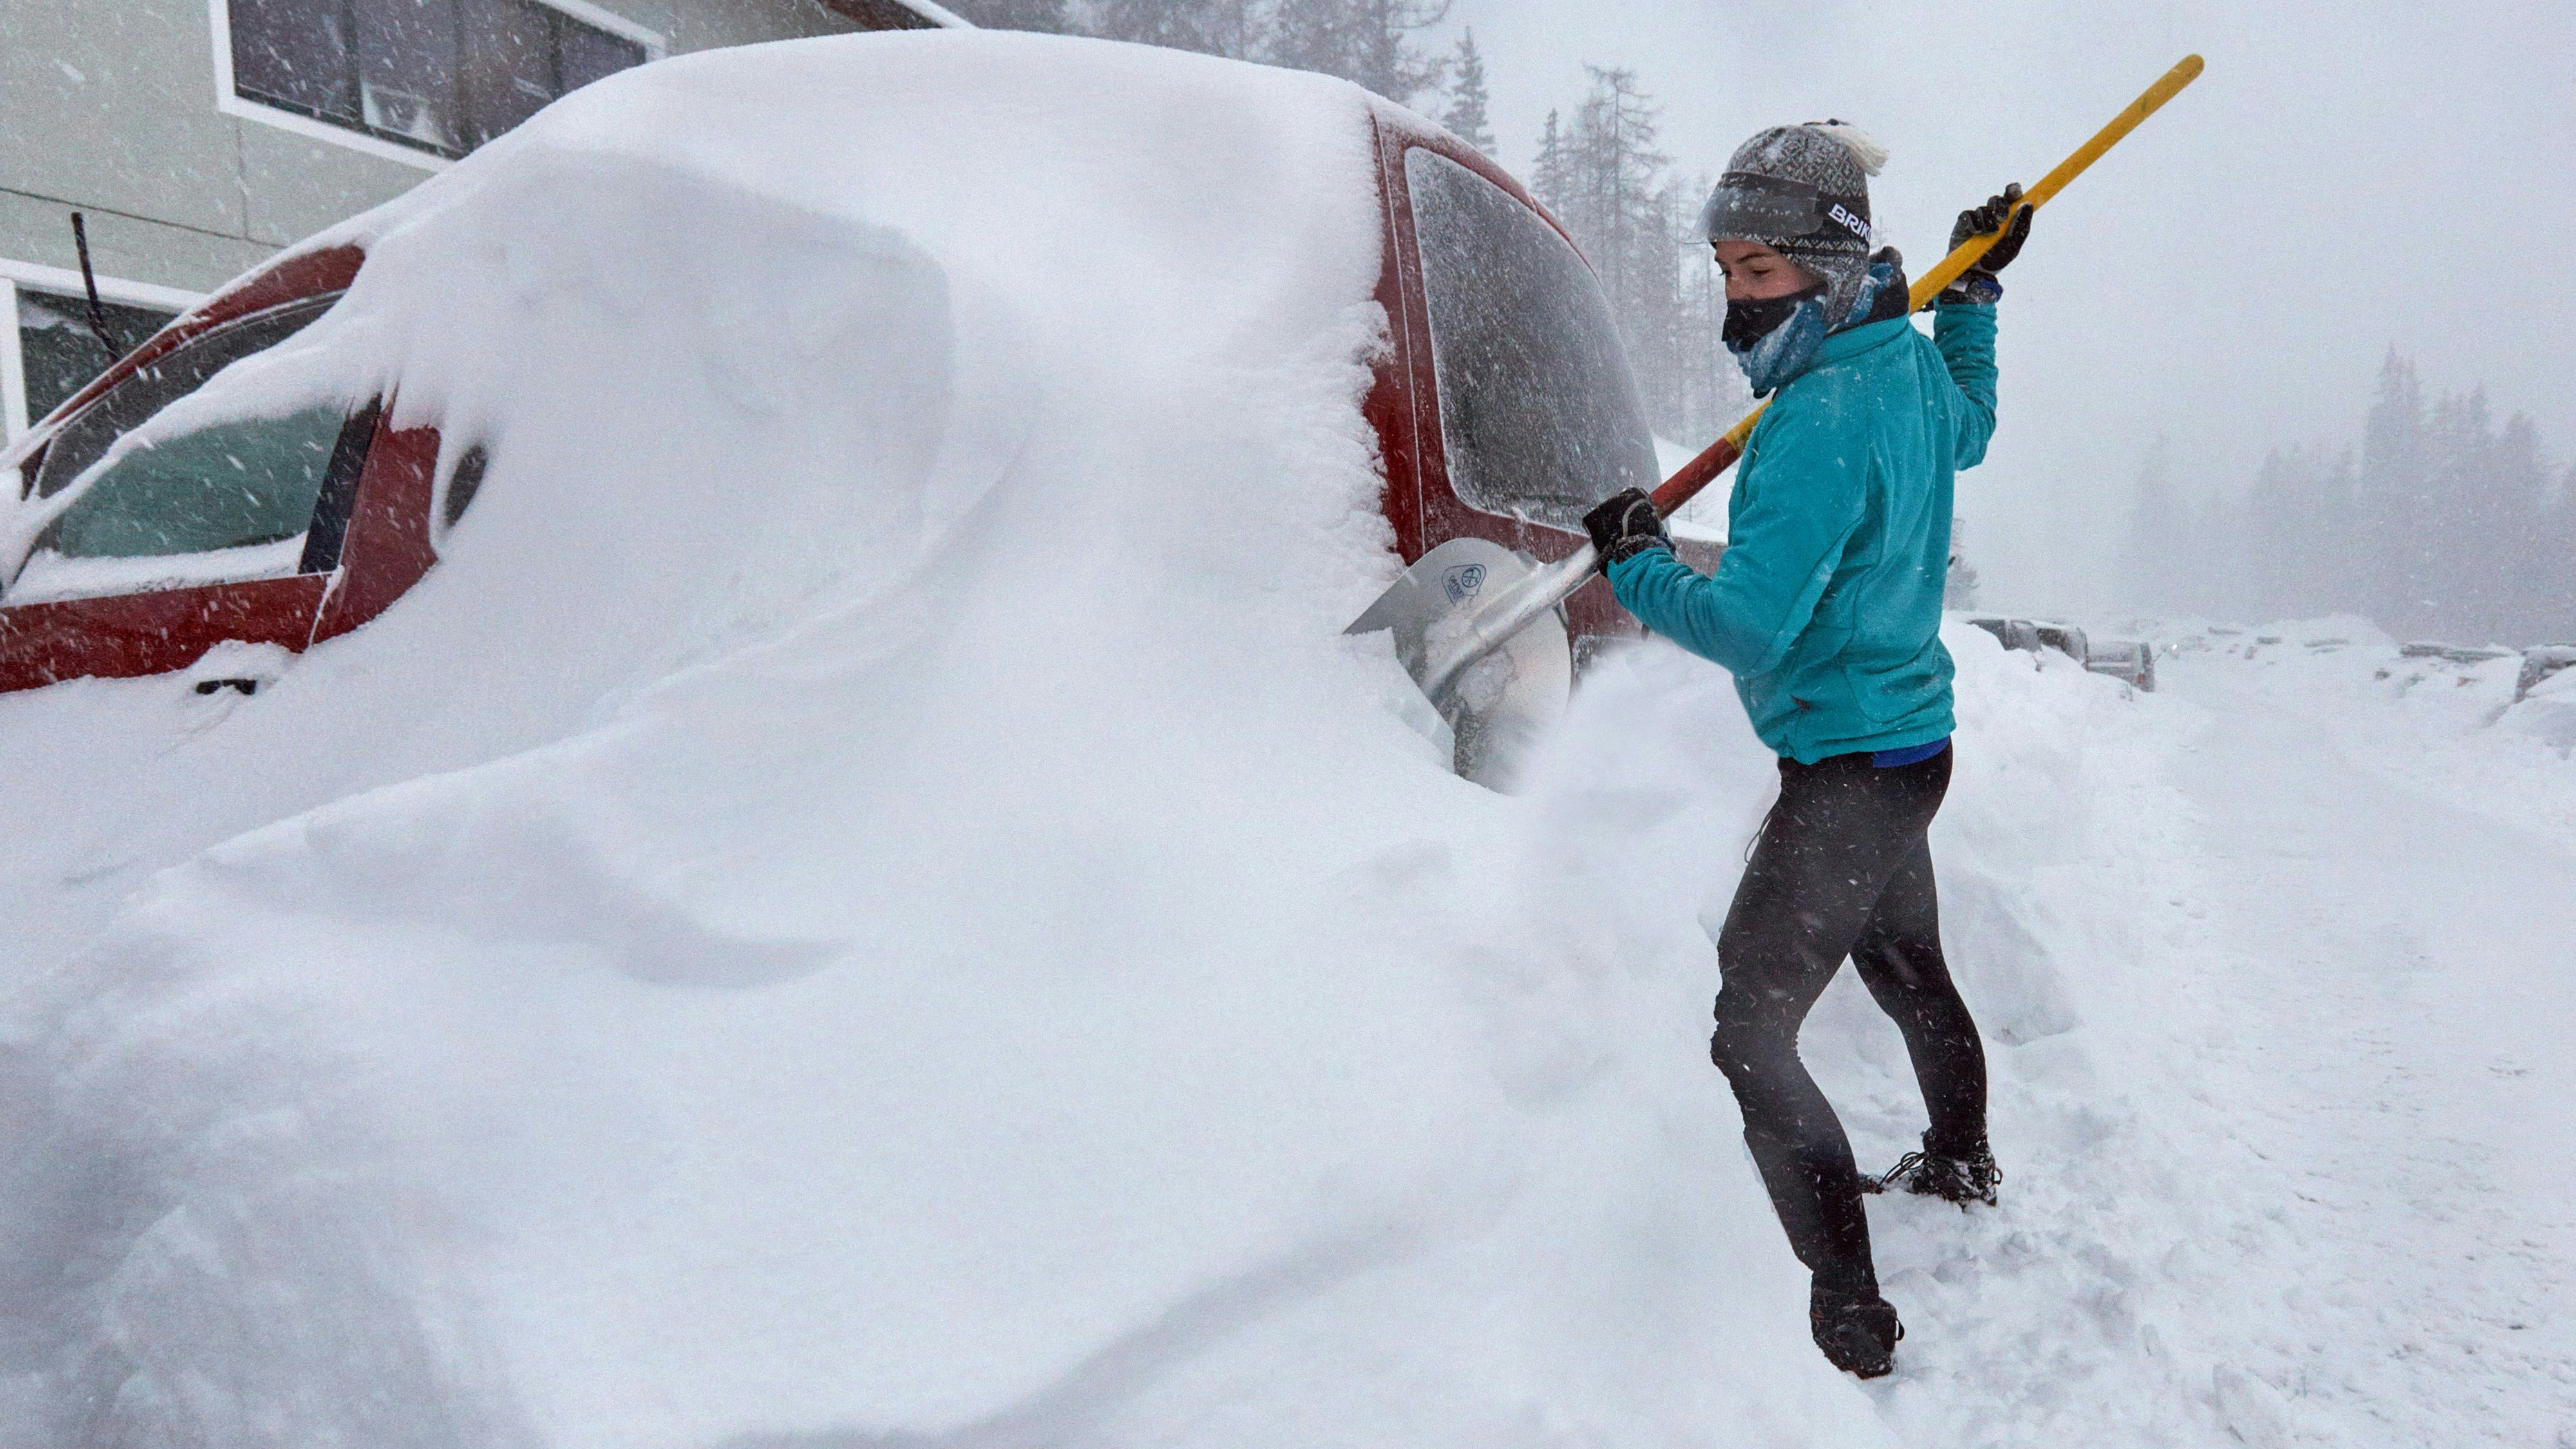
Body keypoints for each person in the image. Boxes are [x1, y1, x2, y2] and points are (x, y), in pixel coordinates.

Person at [1578, 120, 2031, 1379]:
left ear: (1826, 269)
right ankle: (1958, 1159)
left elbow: (1745, 624)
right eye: (1723, 271)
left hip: (1844, 765)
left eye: (1759, 273)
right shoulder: (1898, 362)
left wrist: (1636, 564)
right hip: (1905, 748)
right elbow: (1971, 426)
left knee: (1744, 1025)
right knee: (1900, 963)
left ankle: (1846, 1312)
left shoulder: (1815, 420)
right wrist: (1975, 297)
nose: (1734, 300)